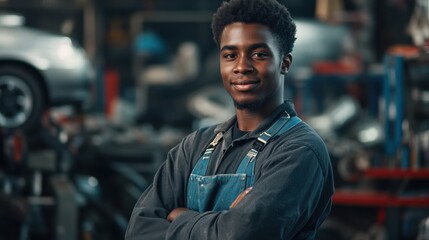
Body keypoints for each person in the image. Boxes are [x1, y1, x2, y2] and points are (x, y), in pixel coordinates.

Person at [125, 0, 334, 239]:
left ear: (284, 63)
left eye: (259, 54)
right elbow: (138, 230)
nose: (242, 66)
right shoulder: (194, 146)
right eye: (230, 55)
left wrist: (182, 217)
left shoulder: (299, 150)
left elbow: (242, 234)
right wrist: (222, 223)